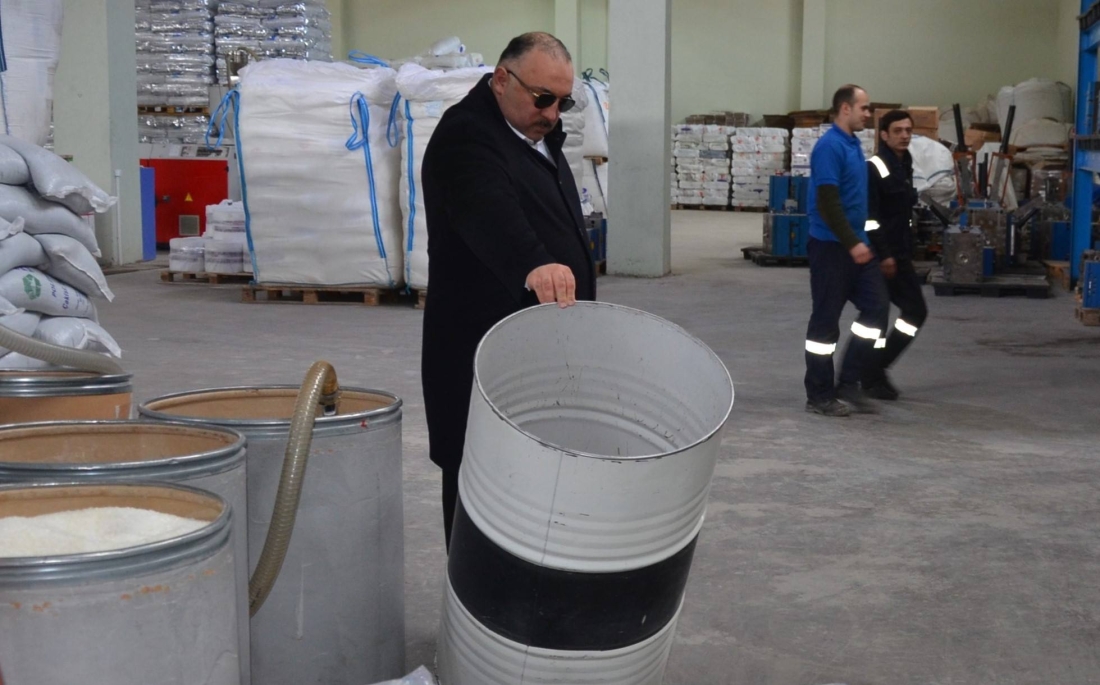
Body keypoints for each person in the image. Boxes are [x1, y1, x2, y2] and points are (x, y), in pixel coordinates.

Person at [420, 32, 596, 548]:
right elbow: (488, 209)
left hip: (538, 351)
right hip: (481, 353)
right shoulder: (466, 137)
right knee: (480, 485)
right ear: (502, 80)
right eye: (543, 99)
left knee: (535, 489)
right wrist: (535, 263)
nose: (553, 114)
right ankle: (474, 597)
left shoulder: (536, 135)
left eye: (563, 102)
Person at [803, 84, 890, 417]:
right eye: (863, 108)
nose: (868, 114)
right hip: (831, 247)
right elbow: (827, 202)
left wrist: (861, 241)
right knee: (825, 323)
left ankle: (849, 381)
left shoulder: (853, 144)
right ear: (845, 109)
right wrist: (851, 243)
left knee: (877, 308)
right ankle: (819, 395)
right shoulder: (829, 147)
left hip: (857, 245)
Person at [863, 109, 927, 400]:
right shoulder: (875, 167)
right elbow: (870, 218)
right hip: (883, 256)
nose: (904, 136)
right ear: (884, 135)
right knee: (880, 317)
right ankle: (871, 374)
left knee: (914, 312)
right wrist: (884, 254)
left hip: (900, 252)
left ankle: (875, 369)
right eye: (898, 131)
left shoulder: (905, 164)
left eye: (908, 131)